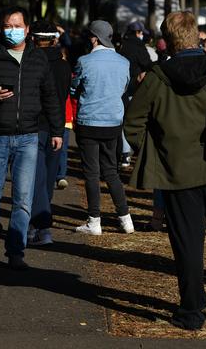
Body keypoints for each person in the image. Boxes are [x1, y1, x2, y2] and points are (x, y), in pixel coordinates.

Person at [124, 10, 206, 330]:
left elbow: (133, 125)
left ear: (167, 41)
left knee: (187, 242)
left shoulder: (156, 77)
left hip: (177, 169)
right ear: (198, 35)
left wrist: (159, 150)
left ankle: (192, 310)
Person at [0, 6, 63, 270]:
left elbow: (50, 97)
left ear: (28, 29)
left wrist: (57, 131)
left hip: (28, 138)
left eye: (17, 25)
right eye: (8, 26)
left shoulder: (38, 58)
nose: (12, 30)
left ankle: (16, 250)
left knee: (23, 199)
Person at [71, 20, 134, 235]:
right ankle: (125, 218)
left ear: (94, 38)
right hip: (113, 122)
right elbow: (125, 88)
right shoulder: (124, 62)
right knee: (111, 171)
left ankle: (94, 220)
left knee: (91, 173)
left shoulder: (84, 61)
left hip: (89, 121)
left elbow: (74, 87)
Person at [29, 20, 71, 245]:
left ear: (33, 39)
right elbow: (64, 96)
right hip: (58, 126)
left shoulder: (31, 63)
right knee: (47, 178)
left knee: (34, 179)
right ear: (54, 39)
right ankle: (39, 227)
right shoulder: (64, 66)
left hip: (35, 125)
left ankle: (39, 227)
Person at [118, 21, 153, 166]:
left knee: (124, 119)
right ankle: (135, 152)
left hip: (122, 86)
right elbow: (147, 64)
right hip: (136, 87)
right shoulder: (139, 47)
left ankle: (125, 153)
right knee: (137, 120)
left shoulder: (121, 45)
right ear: (138, 33)